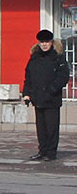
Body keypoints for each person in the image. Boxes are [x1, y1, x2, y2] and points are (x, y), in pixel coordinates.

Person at [22, 29, 70, 161]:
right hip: (38, 99)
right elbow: (28, 77)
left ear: (51, 42)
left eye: (47, 42)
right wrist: (26, 93)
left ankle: (50, 153)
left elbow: (64, 76)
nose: (44, 44)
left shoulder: (57, 57)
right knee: (41, 128)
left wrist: (52, 89)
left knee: (51, 128)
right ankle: (42, 151)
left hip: (51, 99)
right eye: (42, 42)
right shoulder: (35, 58)